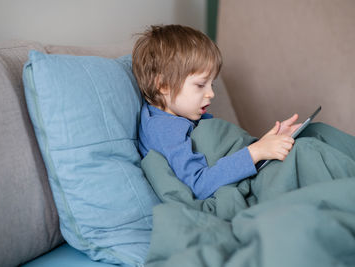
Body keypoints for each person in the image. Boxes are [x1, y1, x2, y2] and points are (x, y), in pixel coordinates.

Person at [131, 24, 307, 200]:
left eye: (212, 84)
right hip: (228, 196)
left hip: (246, 174)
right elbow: (199, 185)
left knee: (310, 143)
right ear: (163, 85)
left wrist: (265, 143)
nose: (211, 94)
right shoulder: (165, 130)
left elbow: (225, 153)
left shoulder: (178, 117)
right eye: (201, 85)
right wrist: (255, 152)